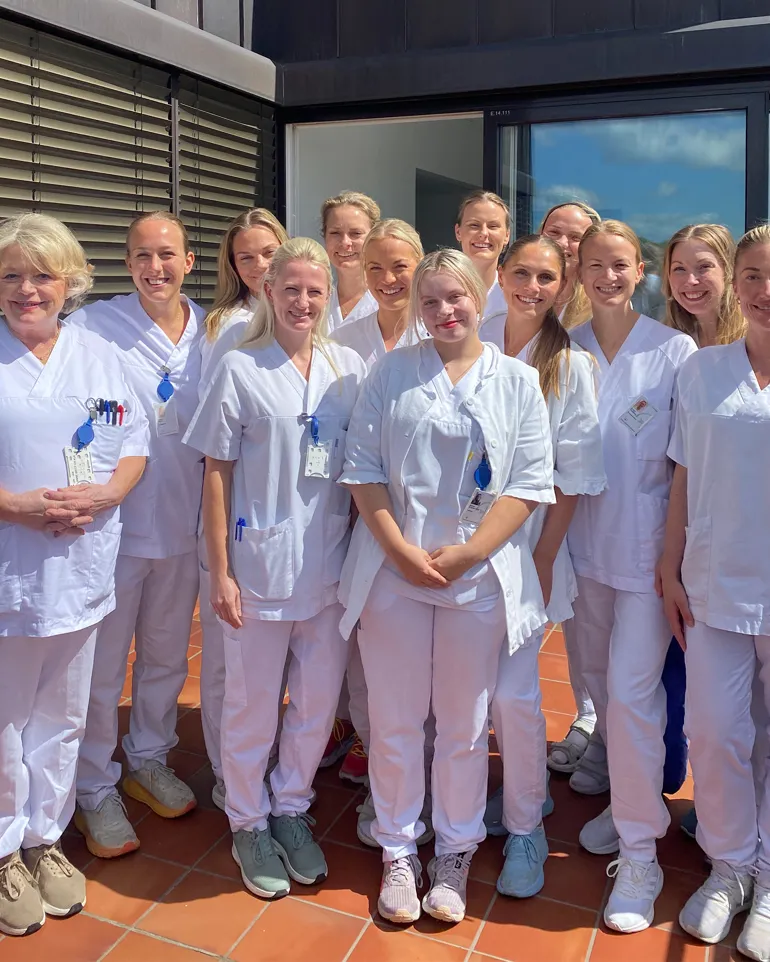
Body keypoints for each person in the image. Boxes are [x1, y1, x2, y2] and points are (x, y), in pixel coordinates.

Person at [337, 248, 555, 926]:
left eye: (455, 298)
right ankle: (400, 849)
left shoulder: (517, 380)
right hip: (393, 577)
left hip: (478, 578)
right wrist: (399, 549)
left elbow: (526, 485)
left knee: (463, 725)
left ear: (478, 296)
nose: (444, 312)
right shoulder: (391, 373)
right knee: (396, 721)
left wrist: (468, 554)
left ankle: (456, 850)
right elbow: (361, 470)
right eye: (430, 301)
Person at [183, 238, 366, 900]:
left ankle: (290, 808)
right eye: (290, 288)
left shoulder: (348, 369)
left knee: (316, 704)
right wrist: (221, 572)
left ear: (329, 297)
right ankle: (248, 820)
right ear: (268, 292)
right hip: (257, 566)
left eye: (315, 291)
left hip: (330, 566)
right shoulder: (241, 367)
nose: (303, 301)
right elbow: (215, 475)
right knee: (252, 704)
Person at [0, 213, 148, 936]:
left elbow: (134, 447)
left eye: (43, 276)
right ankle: (2, 852)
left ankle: (45, 839)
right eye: (12, 276)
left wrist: (112, 493)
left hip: (82, 566)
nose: (29, 290)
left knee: (62, 718)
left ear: (70, 282)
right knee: (2, 721)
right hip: (9, 568)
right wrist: (15, 505)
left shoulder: (98, 356)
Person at [566, 221, 696, 933]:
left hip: (647, 558)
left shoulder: (672, 350)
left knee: (634, 698)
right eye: (595, 265)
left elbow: (681, 464)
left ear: (640, 269)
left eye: (620, 265)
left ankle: (642, 856)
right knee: (600, 689)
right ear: (578, 271)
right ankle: (626, 802)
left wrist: (673, 559)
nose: (608, 276)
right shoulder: (570, 350)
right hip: (583, 555)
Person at [71, 211, 205, 858]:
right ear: (127, 263)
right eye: (142, 256)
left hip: (185, 528)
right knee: (101, 668)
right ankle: (93, 786)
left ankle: (149, 756)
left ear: (189, 261)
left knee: (166, 658)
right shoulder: (94, 327)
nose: (156, 267)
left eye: (167, 255)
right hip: (114, 530)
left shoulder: (215, 331)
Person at [480, 235, 606, 898]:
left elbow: (575, 477)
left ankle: (526, 825)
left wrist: (545, 556)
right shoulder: (468, 337)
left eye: (546, 277)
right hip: (460, 551)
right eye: (521, 272)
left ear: (564, 286)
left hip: (528, 552)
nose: (532, 286)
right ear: (499, 273)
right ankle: (470, 805)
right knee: (462, 696)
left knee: (514, 693)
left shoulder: (571, 364)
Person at [662, 225, 770, 958]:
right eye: (756, 276)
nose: (767, 291)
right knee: (716, 732)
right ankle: (730, 864)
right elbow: (683, 476)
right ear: (738, 284)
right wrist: (669, 569)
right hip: (713, 585)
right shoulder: (702, 372)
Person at [332, 218, 435, 840]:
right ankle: (382, 773)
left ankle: (424, 777)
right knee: (366, 661)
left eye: (400, 266)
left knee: (426, 665)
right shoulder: (343, 339)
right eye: (375, 267)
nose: (389, 279)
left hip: (430, 530)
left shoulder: (445, 326)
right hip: (356, 522)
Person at [197, 208, 289, 811]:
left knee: (268, 667)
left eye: (267, 253)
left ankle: (259, 759)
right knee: (228, 663)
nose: (258, 266)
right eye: (246, 256)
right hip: (239, 515)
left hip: (289, 521)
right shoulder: (228, 329)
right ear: (232, 265)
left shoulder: (303, 314)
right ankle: (228, 771)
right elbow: (216, 447)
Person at [659, 224, 748, 831]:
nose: (692, 282)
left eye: (705, 268)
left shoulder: (747, 353)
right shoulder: (678, 352)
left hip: (743, 559)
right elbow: (682, 467)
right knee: (685, 688)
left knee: (734, 713)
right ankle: (682, 795)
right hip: (686, 549)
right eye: (680, 271)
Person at [321, 190, 379, 333]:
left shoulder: (387, 301)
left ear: (373, 237)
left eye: (356, 233)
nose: (345, 242)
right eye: (335, 233)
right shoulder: (316, 300)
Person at [539, 201, 601, 330]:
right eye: (554, 233)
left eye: (575, 237)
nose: (562, 243)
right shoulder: (519, 292)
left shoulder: (603, 303)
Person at [454, 190, 511, 319]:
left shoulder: (515, 298)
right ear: (458, 232)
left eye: (493, 226)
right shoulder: (435, 292)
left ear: (507, 236)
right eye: (474, 225)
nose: (484, 233)